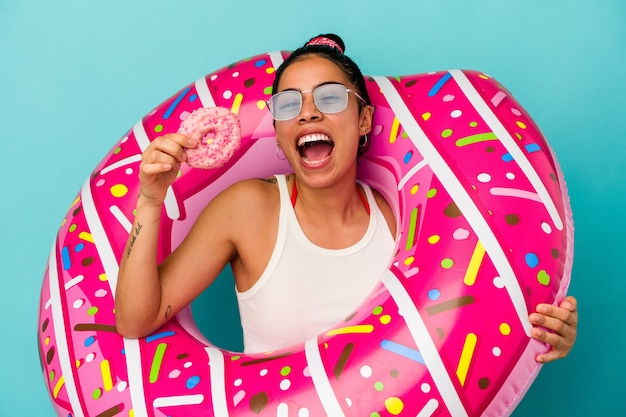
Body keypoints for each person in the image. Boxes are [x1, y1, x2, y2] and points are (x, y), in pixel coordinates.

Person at [115, 34, 577, 362]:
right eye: (289, 104)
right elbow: (137, 320)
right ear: (277, 133)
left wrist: (540, 336)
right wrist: (151, 201)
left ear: (362, 121)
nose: (309, 111)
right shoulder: (247, 209)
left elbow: (466, 324)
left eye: (331, 98)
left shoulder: (403, 223)